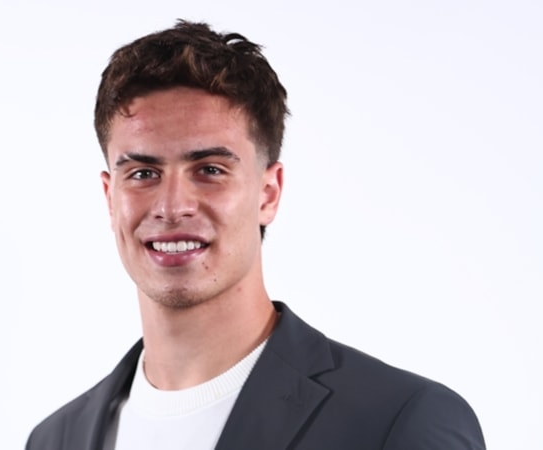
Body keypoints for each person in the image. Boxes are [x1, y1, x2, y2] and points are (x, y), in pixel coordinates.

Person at [26, 20, 485, 450]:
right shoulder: (54, 440)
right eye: (143, 173)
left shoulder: (399, 421)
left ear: (269, 193)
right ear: (110, 198)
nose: (171, 206)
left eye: (210, 170)